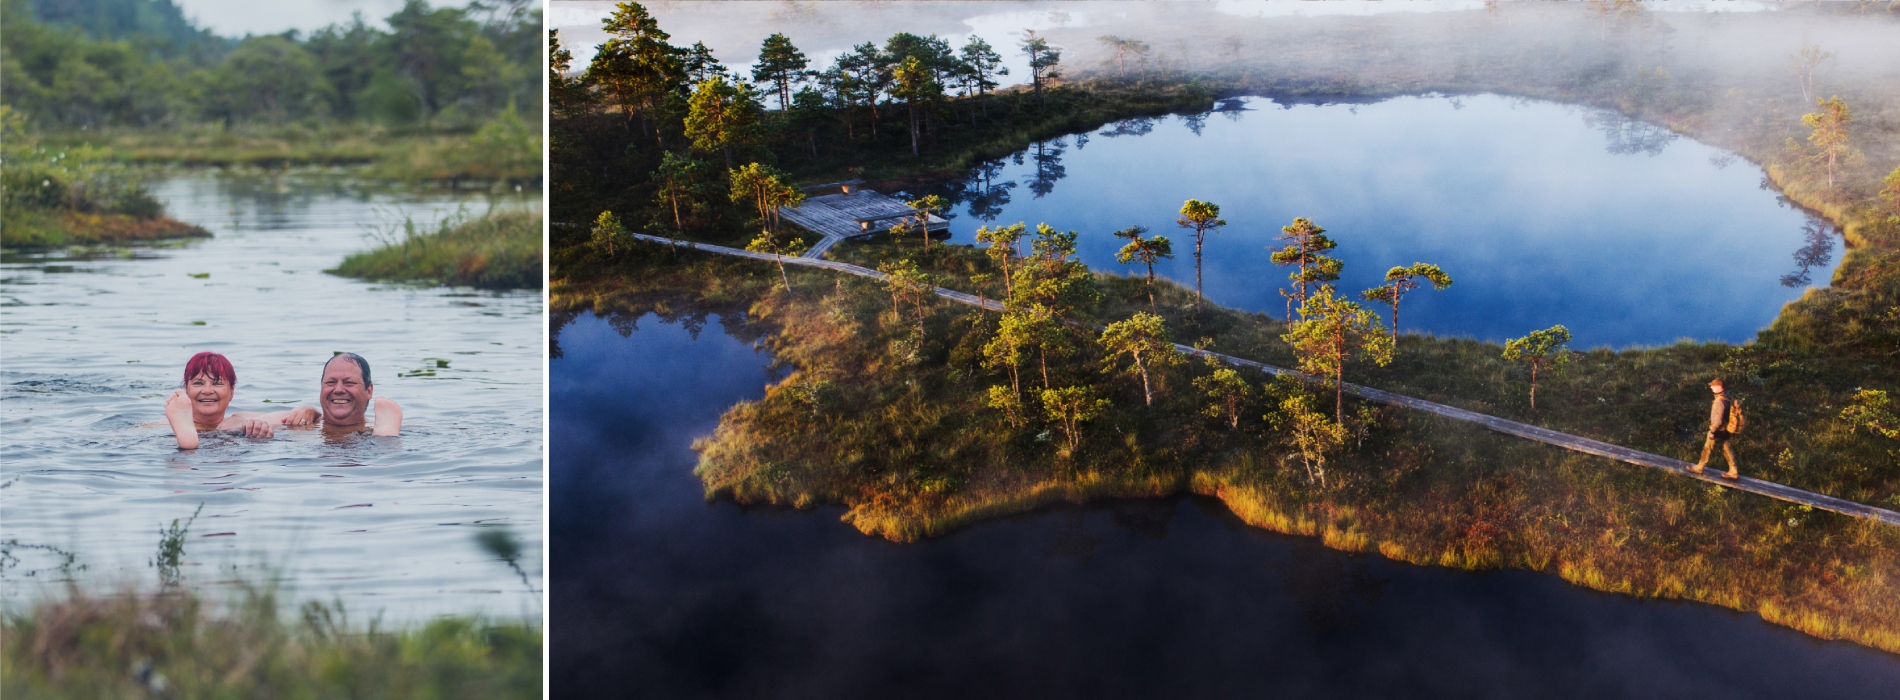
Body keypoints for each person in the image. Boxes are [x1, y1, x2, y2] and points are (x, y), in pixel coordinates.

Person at [163, 351, 306, 449]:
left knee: (238, 424)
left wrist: (306, 409)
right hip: (226, 448)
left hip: (189, 449)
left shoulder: (239, 418)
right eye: (198, 383)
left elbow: (288, 417)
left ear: (231, 392)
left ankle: (188, 446)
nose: (207, 391)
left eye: (217, 383)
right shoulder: (165, 425)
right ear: (186, 390)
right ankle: (188, 443)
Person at [285, 353, 401, 436]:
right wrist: (307, 408)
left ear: (369, 391)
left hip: (362, 443)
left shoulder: (388, 426)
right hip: (315, 446)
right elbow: (266, 419)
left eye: (349, 383)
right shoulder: (298, 421)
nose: (338, 390)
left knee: (384, 444)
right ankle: (386, 442)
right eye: (330, 383)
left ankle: (386, 440)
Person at [1689, 378, 1738, 480]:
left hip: (1718, 430)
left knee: (1707, 448)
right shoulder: (1728, 397)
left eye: (1713, 385)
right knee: (1727, 448)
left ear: (1719, 387)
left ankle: (1700, 467)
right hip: (1726, 429)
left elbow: (1718, 420)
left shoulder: (1719, 402)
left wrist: (1712, 431)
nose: (1711, 387)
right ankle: (1733, 470)